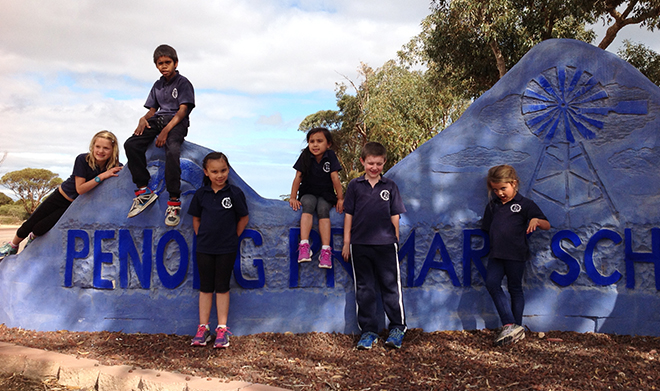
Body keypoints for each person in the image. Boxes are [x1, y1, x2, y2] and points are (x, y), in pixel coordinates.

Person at [0, 131, 122, 261]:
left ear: (113, 149)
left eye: (106, 148)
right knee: (30, 223)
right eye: (98, 147)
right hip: (60, 197)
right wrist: (102, 176)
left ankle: (32, 242)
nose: (101, 151)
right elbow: (80, 189)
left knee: (41, 228)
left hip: (74, 206)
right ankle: (12, 246)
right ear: (92, 146)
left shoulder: (115, 167)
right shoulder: (83, 159)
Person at [341, 142, 407, 350]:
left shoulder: (390, 186)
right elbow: (348, 215)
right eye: (370, 163)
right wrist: (346, 242)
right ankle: (368, 331)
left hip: (386, 245)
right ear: (362, 161)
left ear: (384, 163)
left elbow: (394, 215)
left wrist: (394, 238)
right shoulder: (354, 186)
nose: (374, 167)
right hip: (359, 245)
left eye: (378, 163)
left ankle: (397, 328)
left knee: (390, 287)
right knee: (365, 289)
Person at [124, 44, 195, 227]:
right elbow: (153, 110)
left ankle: (173, 201)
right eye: (160, 63)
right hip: (158, 120)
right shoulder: (157, 85)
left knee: (172, 150)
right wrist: (143, 118)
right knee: (131, 144)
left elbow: (183, 111)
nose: (164, 66)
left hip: (176, 122)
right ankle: (143, 190)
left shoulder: (183, 83)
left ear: (175, 63)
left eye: (167, 62)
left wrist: (166, 131)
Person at [481, 164, 551, 346]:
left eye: (503, 188)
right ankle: (510, 324)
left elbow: (546, 225)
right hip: (496, 254)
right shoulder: (492, 206)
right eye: (495, 189)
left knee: (515, 289)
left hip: (516, 254)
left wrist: (536, 220)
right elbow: (488, 228)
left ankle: (516, 327)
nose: (500, 193)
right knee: (492, 283)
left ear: (514, 184)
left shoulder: (525, 204)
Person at [188, 152, 249, 348]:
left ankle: (222, 329)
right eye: (214, 171)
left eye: (223, 170)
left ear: (228, 170)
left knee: (222, 287)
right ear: (206, 172)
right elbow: (196, 219)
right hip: (204, 248)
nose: (219, 175)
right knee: (205, 287)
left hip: (227, 248)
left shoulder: (234, 193)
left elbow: (243, 218)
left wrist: (233, 237)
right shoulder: (201, 194)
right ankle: (203, 328)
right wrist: (201, 237)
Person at [289, 127, 343, 269]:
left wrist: (340, 199)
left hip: (325, 193)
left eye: (319, 141)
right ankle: (304, 245)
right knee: (308, 205)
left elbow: (335, 178)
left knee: (323, 209)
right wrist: (293, 197)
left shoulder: (330, 156)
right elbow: (298, 177)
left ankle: (325, 251)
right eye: (311, 141)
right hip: (308, 191)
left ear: (328, 144)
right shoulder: (305, 155)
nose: (315, 144)